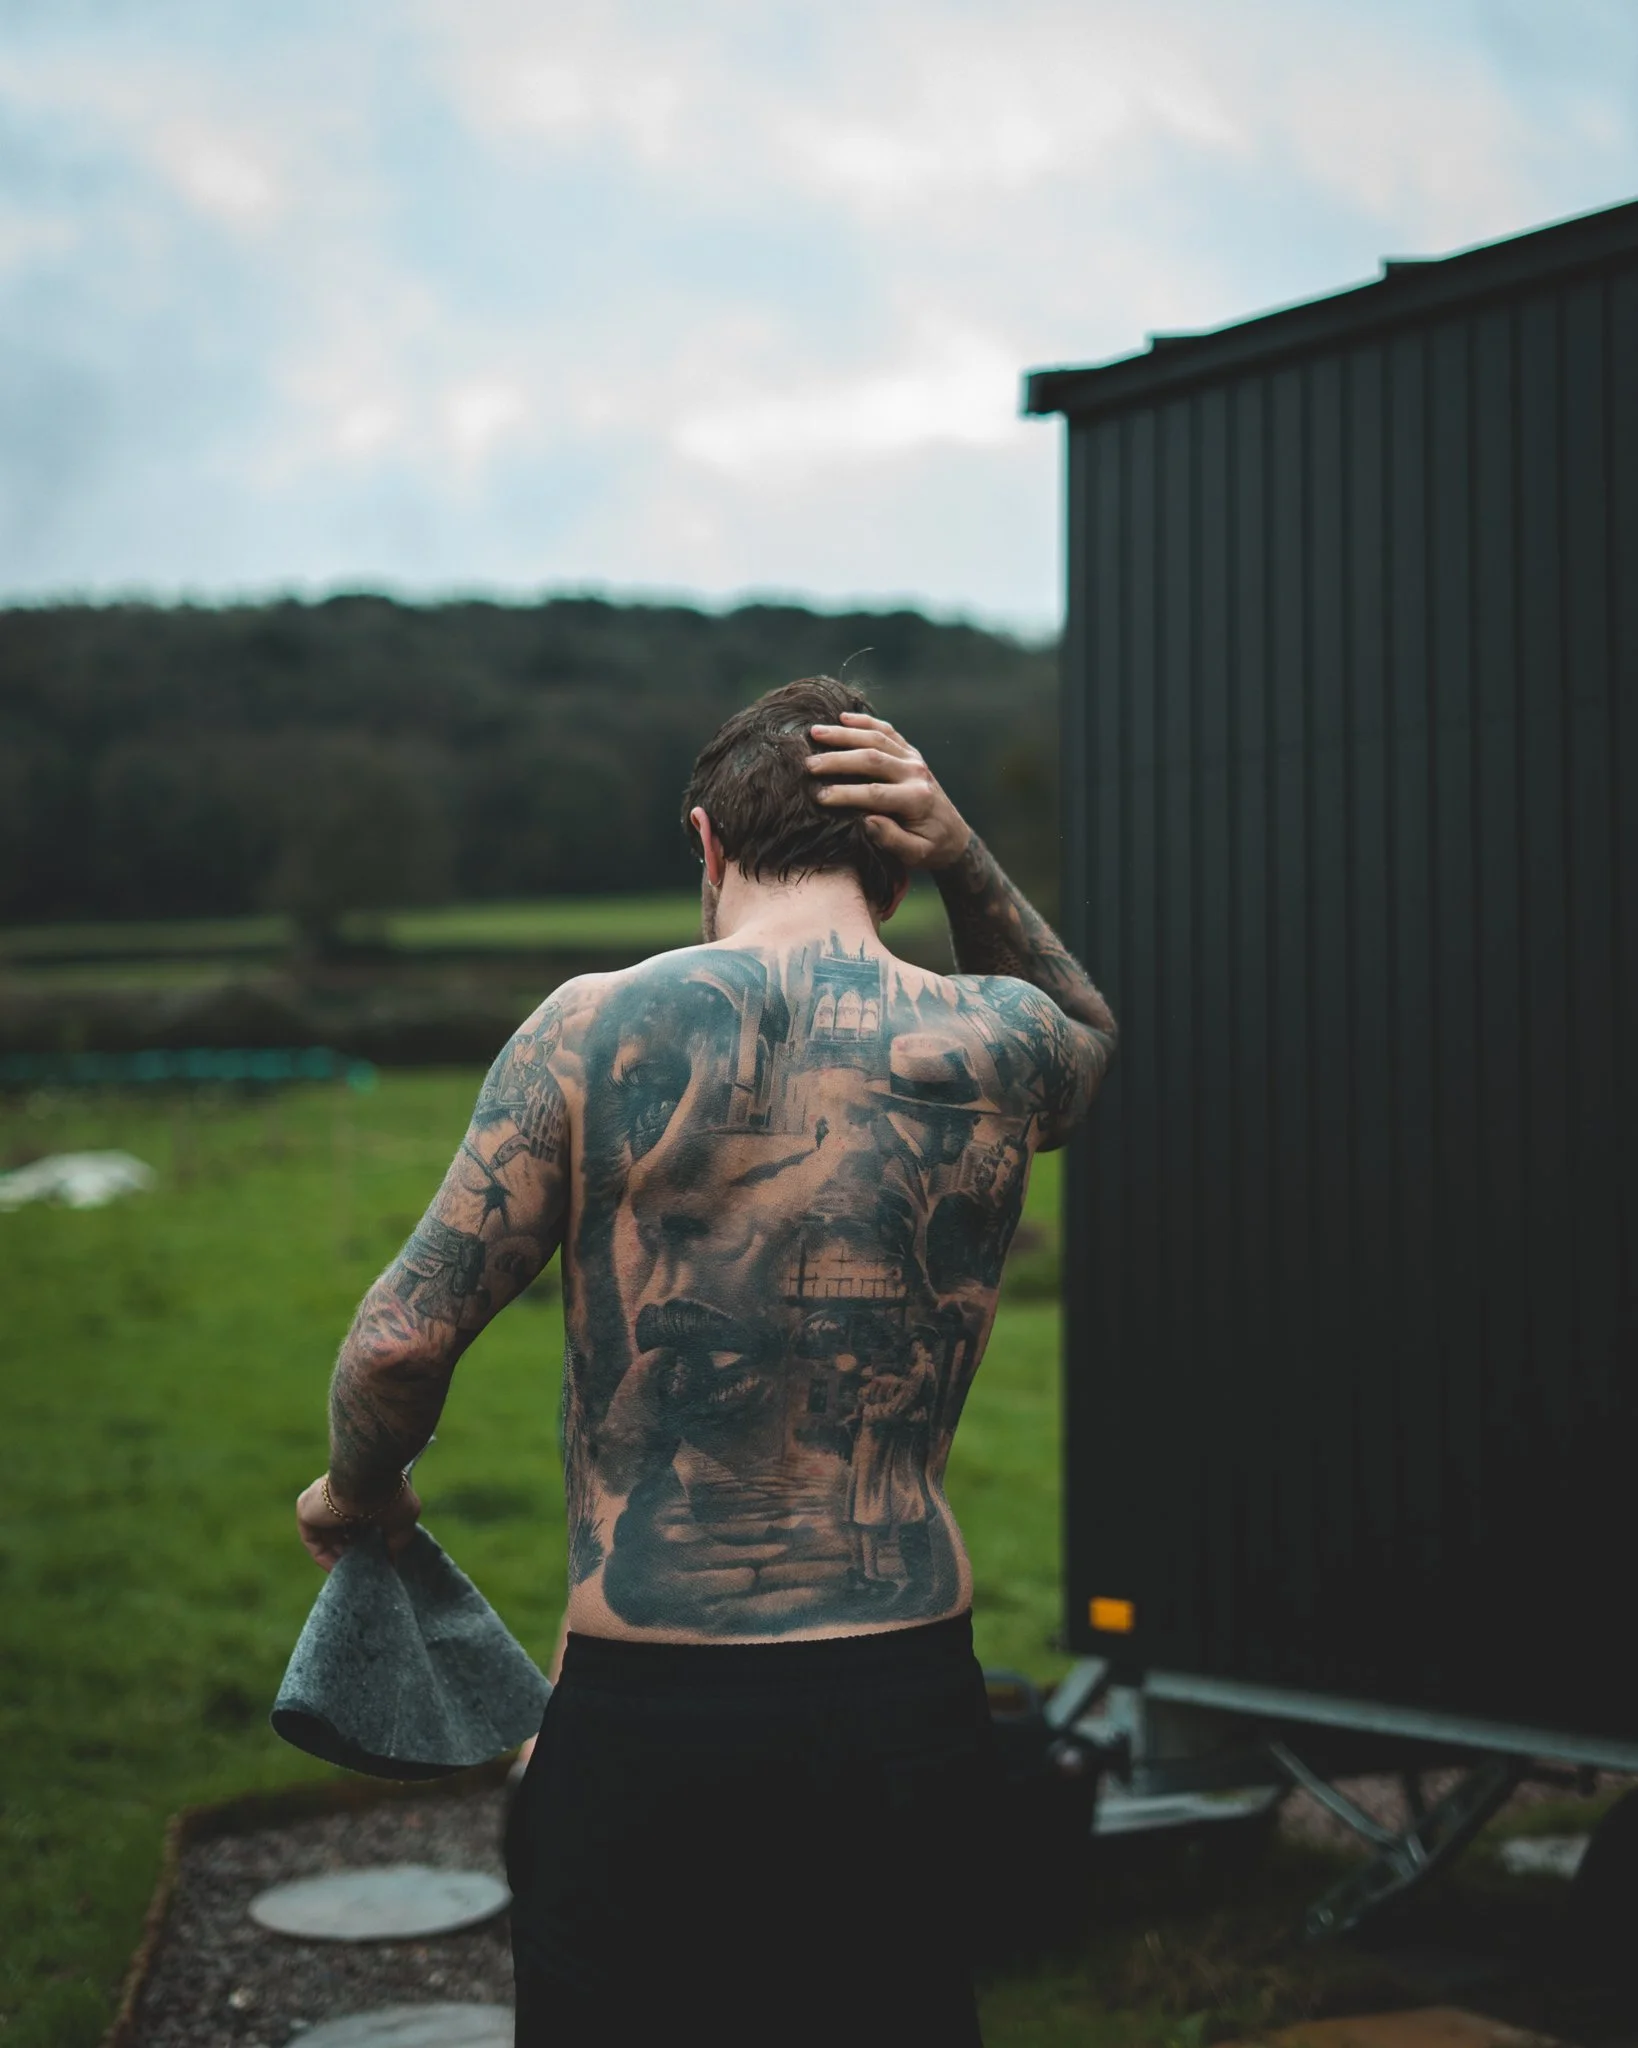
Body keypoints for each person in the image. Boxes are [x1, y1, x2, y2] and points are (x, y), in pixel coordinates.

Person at [295, 678, 1118, 2047]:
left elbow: (399, 1340)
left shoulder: (591, 1024)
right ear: (895, 868)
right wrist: (969, 853)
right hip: (907, 1678)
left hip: (658, 1693)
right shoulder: (1001, 1040)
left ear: (706, 843)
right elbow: (1083, 1025)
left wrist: (356, 1490)